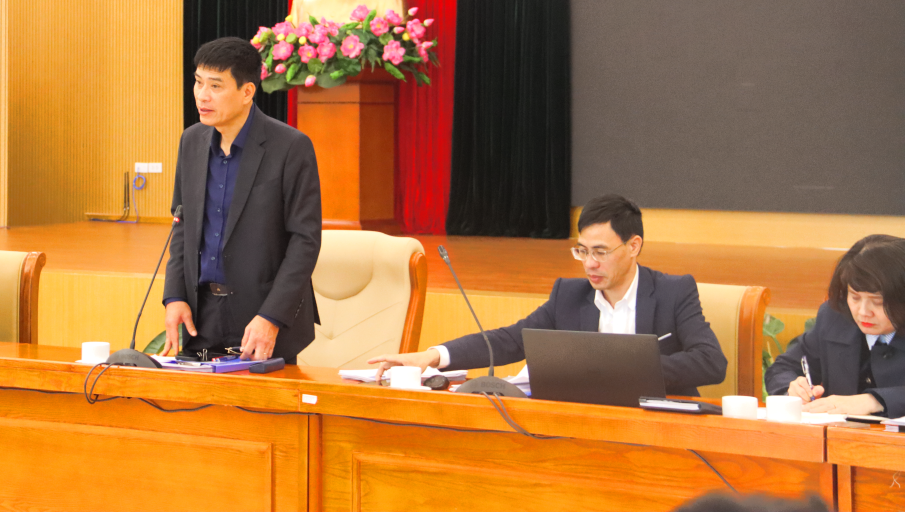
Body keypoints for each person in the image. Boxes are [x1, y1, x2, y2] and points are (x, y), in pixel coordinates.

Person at [369, 194, 728, 396]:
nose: (589, 263)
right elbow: (510, 340)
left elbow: (711, 362)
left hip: (658, 429)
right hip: (581, 429)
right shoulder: (568, 295)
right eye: (582, 251)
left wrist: (623, 368)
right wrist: (431, 356)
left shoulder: (673, 291)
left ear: (634, 246)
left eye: (600, 252)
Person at [162, 37, 322, 363]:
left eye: (215, 86)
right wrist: (175, 295)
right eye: (198, 82)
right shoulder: (191, 141)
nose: (202, 95)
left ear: (247, 92)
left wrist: (272, 316)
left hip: (261, 318)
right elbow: (182, 225)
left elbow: (305, 241)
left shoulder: (290, 147)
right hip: (201, 317)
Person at [765, 234, 905, 417]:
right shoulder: (836, 317)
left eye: (878, 302)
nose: (863, 312)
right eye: (855, 297)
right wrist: (793, 388)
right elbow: (783, 368)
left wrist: (874, 401)